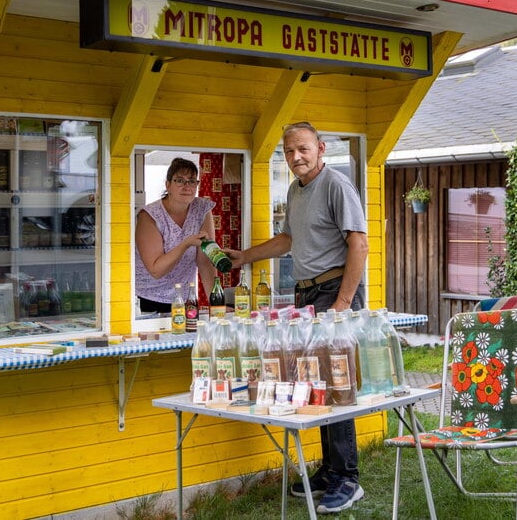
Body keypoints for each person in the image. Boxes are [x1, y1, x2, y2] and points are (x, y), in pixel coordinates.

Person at [224, 121, 369, 514]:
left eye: (303, 149)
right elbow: (288, 239)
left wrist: (343, 302)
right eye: (289, 151)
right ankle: (328, 469)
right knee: (316, 385)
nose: (296, 157)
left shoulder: (336, 185)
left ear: (321, 148)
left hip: (333, 292)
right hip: (307, 294)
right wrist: (246, 256)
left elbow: (359, 243)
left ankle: (348, 479)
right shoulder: (294, 190)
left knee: (338, 387)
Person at [134, 157, 217, 314]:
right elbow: (156, 270)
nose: (187, 186)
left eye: (192, 181)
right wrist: (185, 244)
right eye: (180, 180)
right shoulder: (150, 215)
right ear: (168, 185)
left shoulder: (202, 209)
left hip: (184, 296)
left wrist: (216, 304)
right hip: (149, 297)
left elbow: (205, 261)